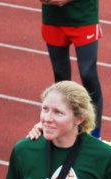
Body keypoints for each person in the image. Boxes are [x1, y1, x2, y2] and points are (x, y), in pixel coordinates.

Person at [40, 0, 103, 138]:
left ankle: (95, 134)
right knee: (60, 77)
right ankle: (63, 127)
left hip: (84, 16)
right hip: (53, 18)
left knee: (88, 74)